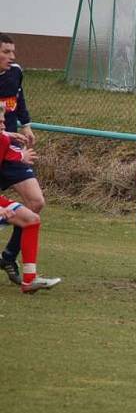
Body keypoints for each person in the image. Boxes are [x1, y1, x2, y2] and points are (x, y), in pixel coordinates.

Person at [0, 33, 45, 286]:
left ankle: (8, 257)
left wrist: (26, 125)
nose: (12, 57)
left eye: (12, 52)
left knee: (36, 202)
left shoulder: (15, 72)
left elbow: (19, 99)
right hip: (5, 146)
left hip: (12, 150)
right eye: (6, 51)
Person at [0, 109, 60, 293]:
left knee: (31, 219)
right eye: (0, 122)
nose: (4, 125)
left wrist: (21, 156)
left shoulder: (2, 139)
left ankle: (29, 280)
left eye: (3, 121)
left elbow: (13, 152)